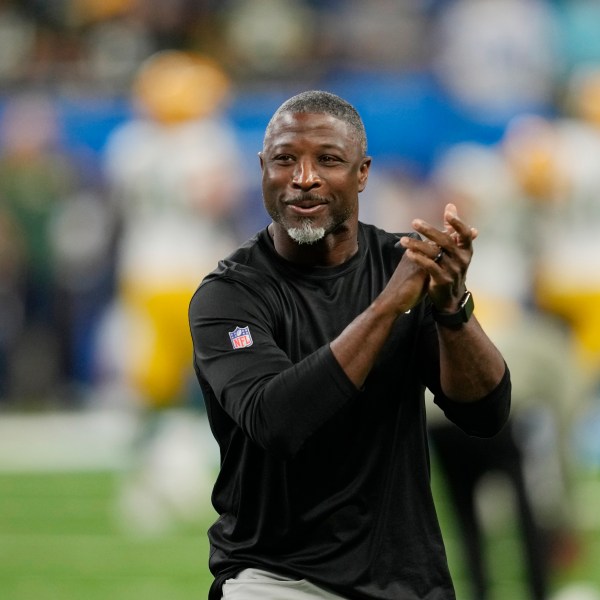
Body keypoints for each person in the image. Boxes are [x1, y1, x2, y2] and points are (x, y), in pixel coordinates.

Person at [188, 90, 511, 600]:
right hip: (277, 579)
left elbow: (486, 414)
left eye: (328, 160)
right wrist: (389, 306)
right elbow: (278, 422)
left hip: (409, 580)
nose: (304, 177)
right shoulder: (229, 295)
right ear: (262, 168)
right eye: (285, 159)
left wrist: (453, 310)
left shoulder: (402, 264)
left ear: (362, 173)